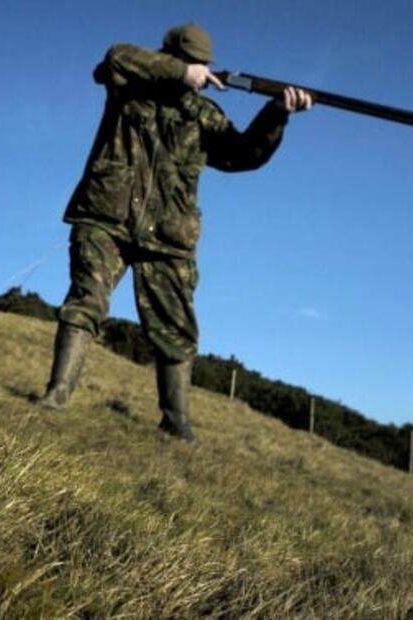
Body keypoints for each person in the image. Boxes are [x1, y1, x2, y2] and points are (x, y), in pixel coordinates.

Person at [38, 24, 312, 442]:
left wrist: (276, 114)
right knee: (85, 303)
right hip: (106, 217)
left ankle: (176, 421)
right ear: (174, 59)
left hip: (168, 236)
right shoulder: (129, 85)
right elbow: (115, 56)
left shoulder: (203, 115)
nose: (200, 72)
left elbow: (243, 156)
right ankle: (56, 396)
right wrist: (180, 74)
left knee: (176, 328)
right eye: (194, 64)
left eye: (201, 66)